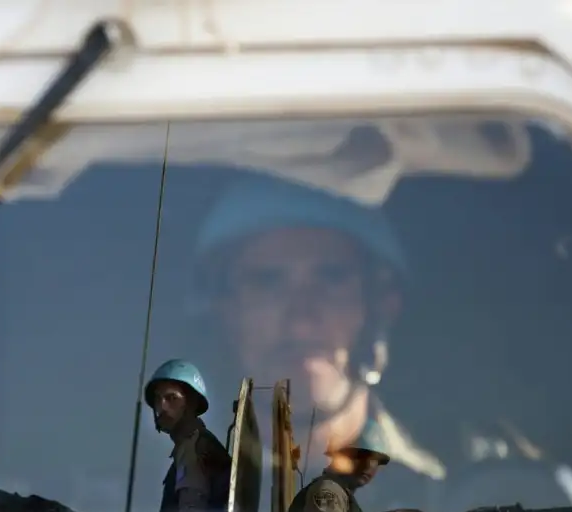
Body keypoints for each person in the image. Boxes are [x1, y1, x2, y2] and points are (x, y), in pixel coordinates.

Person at [189, 171, 445, 494]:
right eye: (267, 283)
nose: (302, 322)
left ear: (381, 304)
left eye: (332, 279)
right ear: (226, 311)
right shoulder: (154, 493)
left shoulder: (457, 488)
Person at [144, 358, 232, 512]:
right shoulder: (190, 446)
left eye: (172, 398)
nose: (162, 406)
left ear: (190, 402)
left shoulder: (195, 448)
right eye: (158, 399)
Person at [287, 419, 390, 512]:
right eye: (359, 456)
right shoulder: (329, 489)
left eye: (375, 461)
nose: (367, 466)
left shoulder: (343, 495)